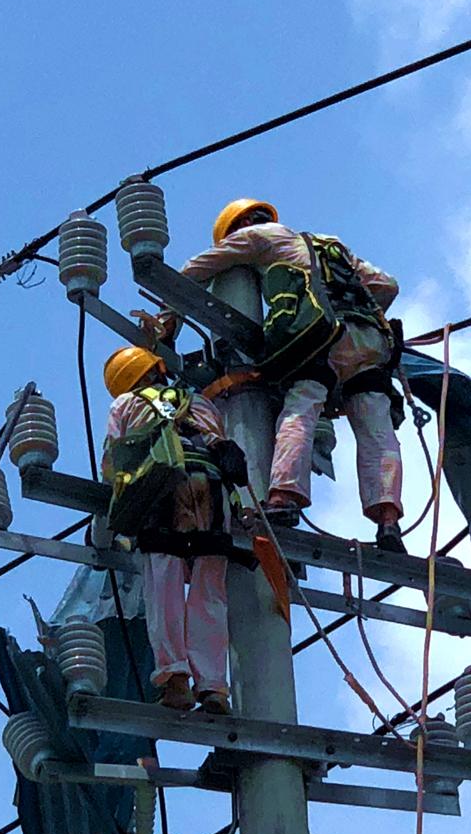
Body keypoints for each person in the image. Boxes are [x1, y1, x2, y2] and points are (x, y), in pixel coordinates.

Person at [180, 199, 407, 552]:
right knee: (377, 431)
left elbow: (200, 266)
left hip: (319, 338)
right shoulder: (329, 244)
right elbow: (386, 286)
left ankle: (284, 498)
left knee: (301, 407)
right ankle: (388, 520)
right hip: (371, 342)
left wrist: (167, 317)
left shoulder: (257, 235)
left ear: (238, 226)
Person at [101, 345, 248, 713]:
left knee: (163, 586)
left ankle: (176, 679)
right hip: (210, 488)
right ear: (156, 369)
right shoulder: (196, 403)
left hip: (161, 492)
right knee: (209, 591)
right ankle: (213, 688)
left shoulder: (125, 406)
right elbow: (220, 442)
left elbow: (113, 462)